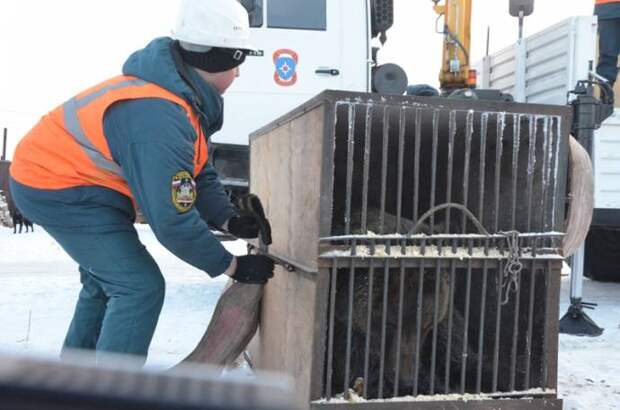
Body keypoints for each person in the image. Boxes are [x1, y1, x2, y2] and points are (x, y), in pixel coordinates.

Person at [9, 0, 274, 363]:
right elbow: (171, 220)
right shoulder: (159, 116)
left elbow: (198, 172)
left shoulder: (182, 99)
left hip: (77, 184)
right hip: (59, 187)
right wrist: (232, 266)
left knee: (105, 283)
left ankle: (76, 379)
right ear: (218, 60)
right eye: (238, 62)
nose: (239, 74)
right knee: (139, 287)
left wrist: (228, 218)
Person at [595, 0, 620, 87]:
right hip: (607, 8)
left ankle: (605, 96)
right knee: (607, 56)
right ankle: (605, 96)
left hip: (607, 9)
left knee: (607, 56)